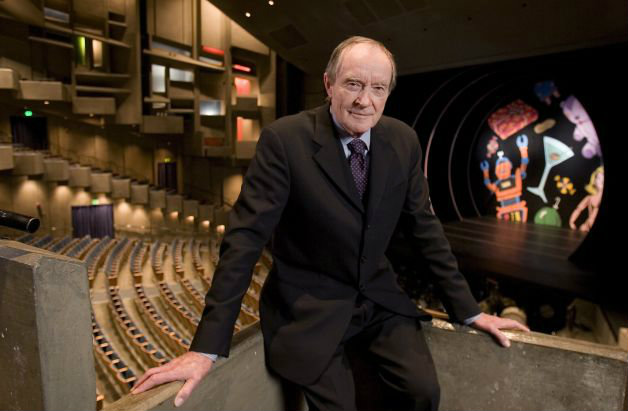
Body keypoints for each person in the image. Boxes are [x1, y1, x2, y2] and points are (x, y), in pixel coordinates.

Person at [132, 36, 529, 410]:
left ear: (389, 92)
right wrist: (206, 347)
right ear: (328, 84)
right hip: (307, 306)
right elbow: (244, 241)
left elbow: (425, 229)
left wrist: (469, 311)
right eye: (353, 84)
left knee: (423, 392)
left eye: (378, 88)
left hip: (378, 300)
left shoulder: (403, 140)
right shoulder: (284, 141)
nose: (364, 101)